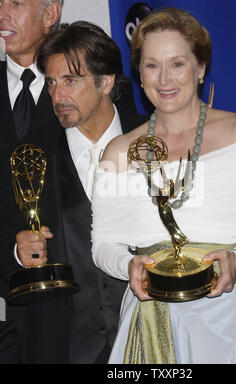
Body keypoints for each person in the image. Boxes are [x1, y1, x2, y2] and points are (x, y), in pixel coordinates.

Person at [91, 7, 236, 364]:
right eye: (152, 65)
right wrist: (128, 267)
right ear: (139, 73)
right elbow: (104, 243)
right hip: (152, 321)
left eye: (177, 63)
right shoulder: (120, 151)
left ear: (200, 68)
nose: (164, 78)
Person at [0, 0, 146, 364]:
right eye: (51, 82)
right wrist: (19, 253)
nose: (57, 96)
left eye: (70, 80)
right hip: (60, 344)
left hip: (152, 338)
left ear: (107, 81)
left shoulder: (154, 140)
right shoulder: (29, 157)